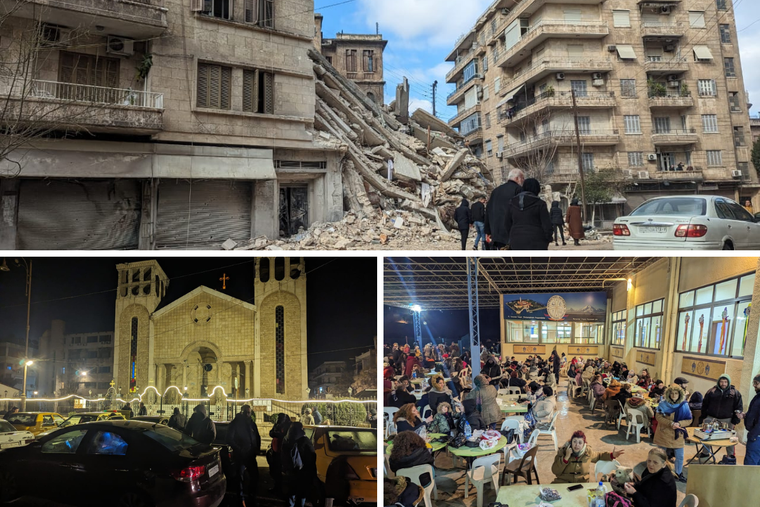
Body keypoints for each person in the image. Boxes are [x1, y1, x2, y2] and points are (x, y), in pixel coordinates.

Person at [699, 373, 742, 464]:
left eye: (725, 382)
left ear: (728, 382)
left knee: (729, 437)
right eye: (722, 381)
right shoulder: (711, 392)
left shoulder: (735, 393)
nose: (723, 384)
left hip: (727, 419)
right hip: (711, 417)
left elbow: (738, 408)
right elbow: (704, 405)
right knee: (707, 435)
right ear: (719, 382)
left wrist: (735, 421)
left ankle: (730, 455)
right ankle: (705, 452)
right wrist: (703, 417)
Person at [551, 430, 624, 483]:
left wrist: (612, 455)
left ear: (583, 444)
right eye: (574, 441)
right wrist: (566, 457)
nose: (577, 445)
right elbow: (555, 471)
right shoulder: (563, 451)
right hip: (563, 482)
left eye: (580, 442)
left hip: (580, 484)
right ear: (571, 442)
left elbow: (599, 456)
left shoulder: (588, 452)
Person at [653, 385, 692, 482]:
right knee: (660, 455)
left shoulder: (684, 405)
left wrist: (679, 423)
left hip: (677, 433)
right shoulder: (663, 404)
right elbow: (658, 417)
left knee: (680, 456)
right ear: (668, 394)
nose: (674, 395)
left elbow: (689, 419)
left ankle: (678, 473)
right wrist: (670, 423)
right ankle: (659, 473)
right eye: (672, 393)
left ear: (679, 394)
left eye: (676, 393)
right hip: (664, 432)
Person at [504, 178, 553, 250]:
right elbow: (547, 225)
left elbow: (507, 223)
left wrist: (512, 236)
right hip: (537, 239)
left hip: (516, 239)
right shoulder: (540, 204)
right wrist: (548, 238)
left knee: (520, 261)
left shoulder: (512, 203)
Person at [228, 404, 261, 505]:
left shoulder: (251, 423)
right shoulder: (235, 423)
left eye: (249, 412)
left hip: (251, 454)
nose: (247, 414)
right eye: (246, 412)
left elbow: (257, 436)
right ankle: (241, 499)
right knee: (239, 478)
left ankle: (252, 496)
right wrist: (239, 449)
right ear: (241, 412)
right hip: (240, 455)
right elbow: (230, 439)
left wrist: (257, 448)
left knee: (255, 476)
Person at [485, 168, 524, 249]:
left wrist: (487, 230)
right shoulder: (518, 190)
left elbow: (488, 210)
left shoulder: (496, 191)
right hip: (511, 234)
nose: (523, 181)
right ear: (517, 178)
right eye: (522, 178)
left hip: (496, 233)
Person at [281, 422, 317, 507]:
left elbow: (282, 456)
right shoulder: (305, 441)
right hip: (303, 473)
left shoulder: (286, 440)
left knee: (291, 494)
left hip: (290, 472)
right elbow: (312, 457)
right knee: (301, 495)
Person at [268, 413, 292, 496]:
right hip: (275, 450)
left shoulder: (287, 426)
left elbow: (286, 436)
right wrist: (275, 433)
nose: (279, 419)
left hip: (282, 451)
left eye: (280, 418)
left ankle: (282, 490)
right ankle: (276, 487)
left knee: (281, 472)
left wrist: (277, 434)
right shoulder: (277, 425)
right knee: (274, 470)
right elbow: (271, 433)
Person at [739, 373, 760, 465]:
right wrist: (746, 416)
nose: (754, 385)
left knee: (750, 466)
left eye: (756, 383)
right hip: (756, 436)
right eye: (753, 382)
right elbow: (755, 413)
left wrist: (753, 435)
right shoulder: (758, 396)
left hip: (757, 438)